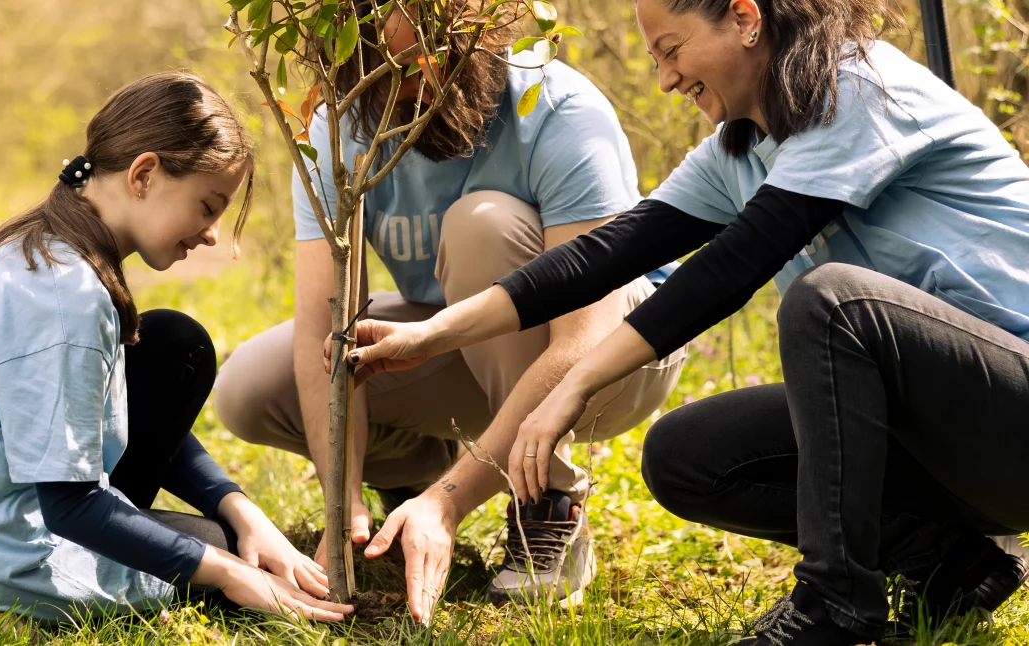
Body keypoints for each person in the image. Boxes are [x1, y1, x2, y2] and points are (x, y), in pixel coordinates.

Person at [340, 0, 1029, 642]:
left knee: (834, 302)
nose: (667, 79)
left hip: (1013, 413)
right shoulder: (746, 144)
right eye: (655, 61)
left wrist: (573, 384)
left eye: (671, 50)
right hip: (950, 438)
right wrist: (434, 332)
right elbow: (606, 254)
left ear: (745, 18)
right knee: (688, 457)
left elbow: (732, 266)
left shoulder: (859, 88)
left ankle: (836, 604)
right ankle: (949, 559)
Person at [212, 0, 686, 619]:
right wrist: (341, 498)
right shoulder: (341, 126)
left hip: (613, 355)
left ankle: (547, 500)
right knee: (252, 387)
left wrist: (451, 503)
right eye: (382, 64)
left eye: (428, 61)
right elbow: (323, 333)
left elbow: (583, 335)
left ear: (476, 34)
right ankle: (407, 477)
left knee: (481, 227)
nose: (406, 86)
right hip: (463, 342)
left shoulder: (556, 107)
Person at [0, 72, 352, 625]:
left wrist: (238, 507)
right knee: (219, 555)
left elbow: (99, 410)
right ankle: (21, 605)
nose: (212, 233)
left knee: (173, 346)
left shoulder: (42, 250)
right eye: (207, 206)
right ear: (144, 174)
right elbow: (69, 505)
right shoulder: (65, 297)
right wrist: (227, 569)